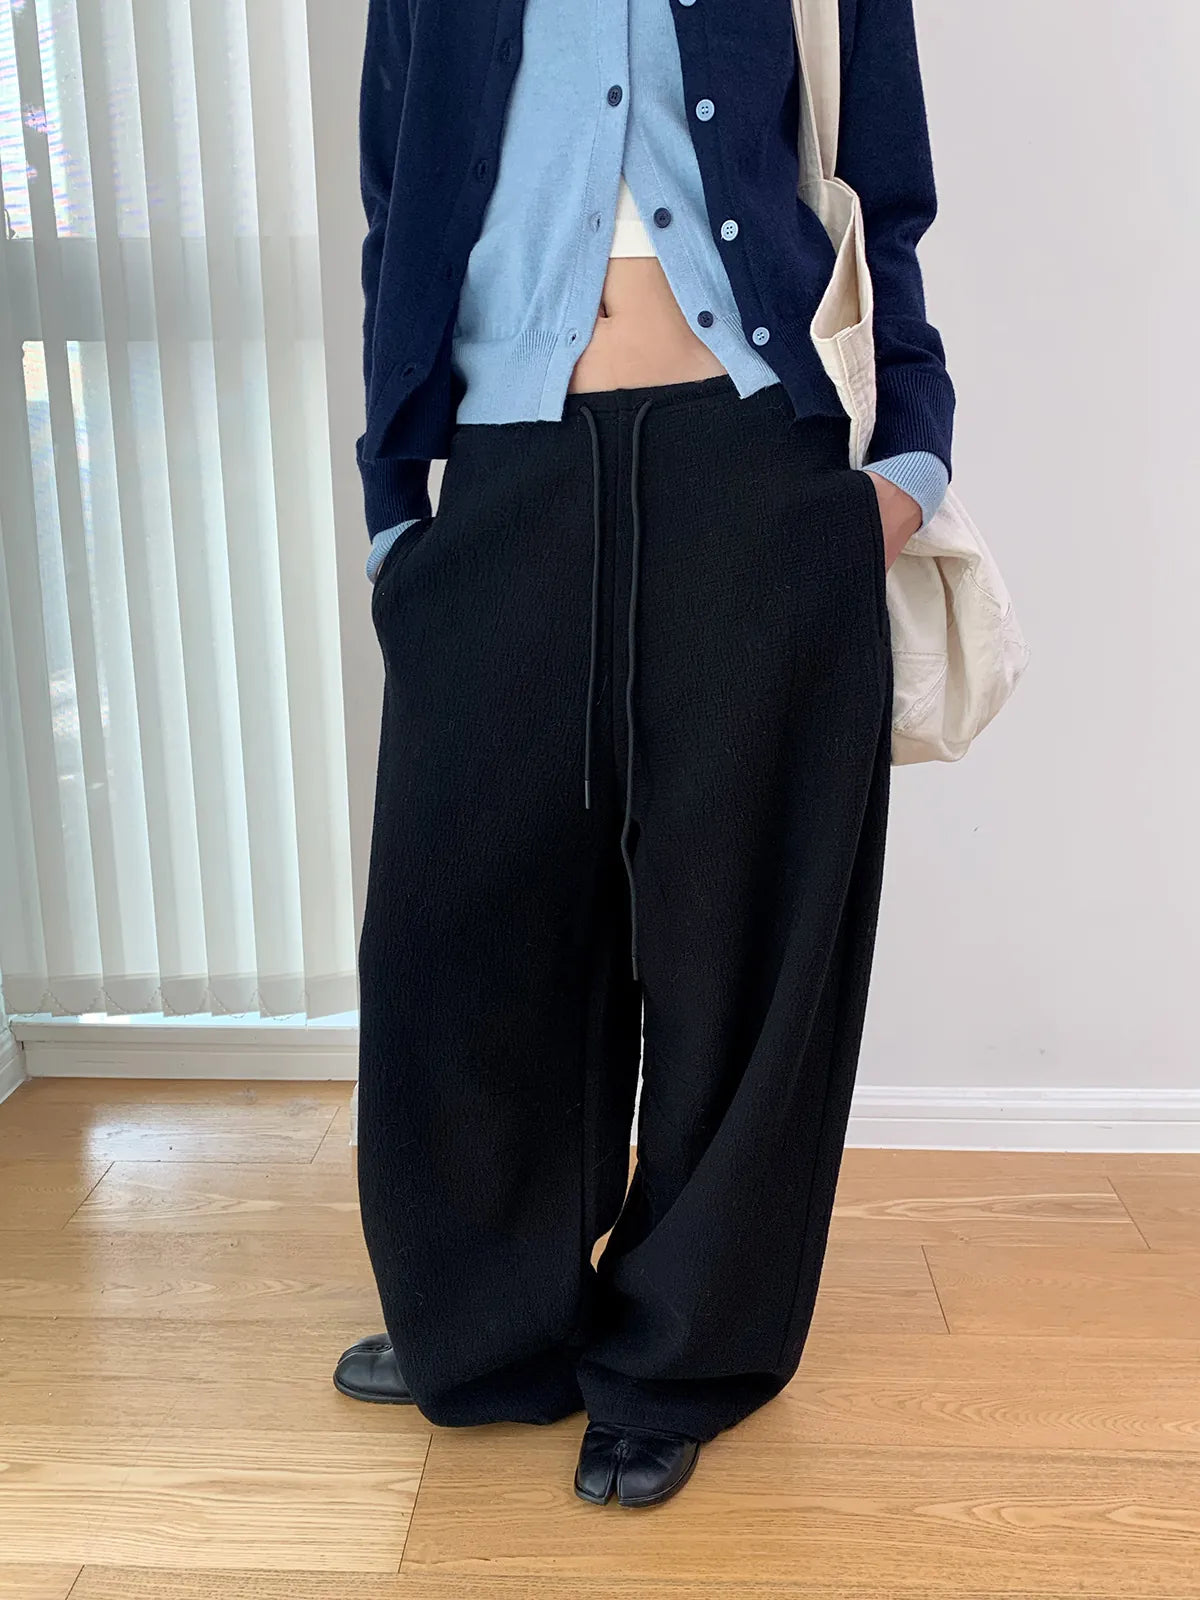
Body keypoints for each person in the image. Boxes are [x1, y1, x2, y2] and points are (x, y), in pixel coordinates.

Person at [335, 0, 954, 1509]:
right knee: (465, 927)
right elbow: (397, 207)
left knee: (733, 941)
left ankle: (681, 1354)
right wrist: (397, 500)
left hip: (757, 466)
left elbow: (885, 197)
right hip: (506, 470)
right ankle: (490, 1314)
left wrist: (907, 462)